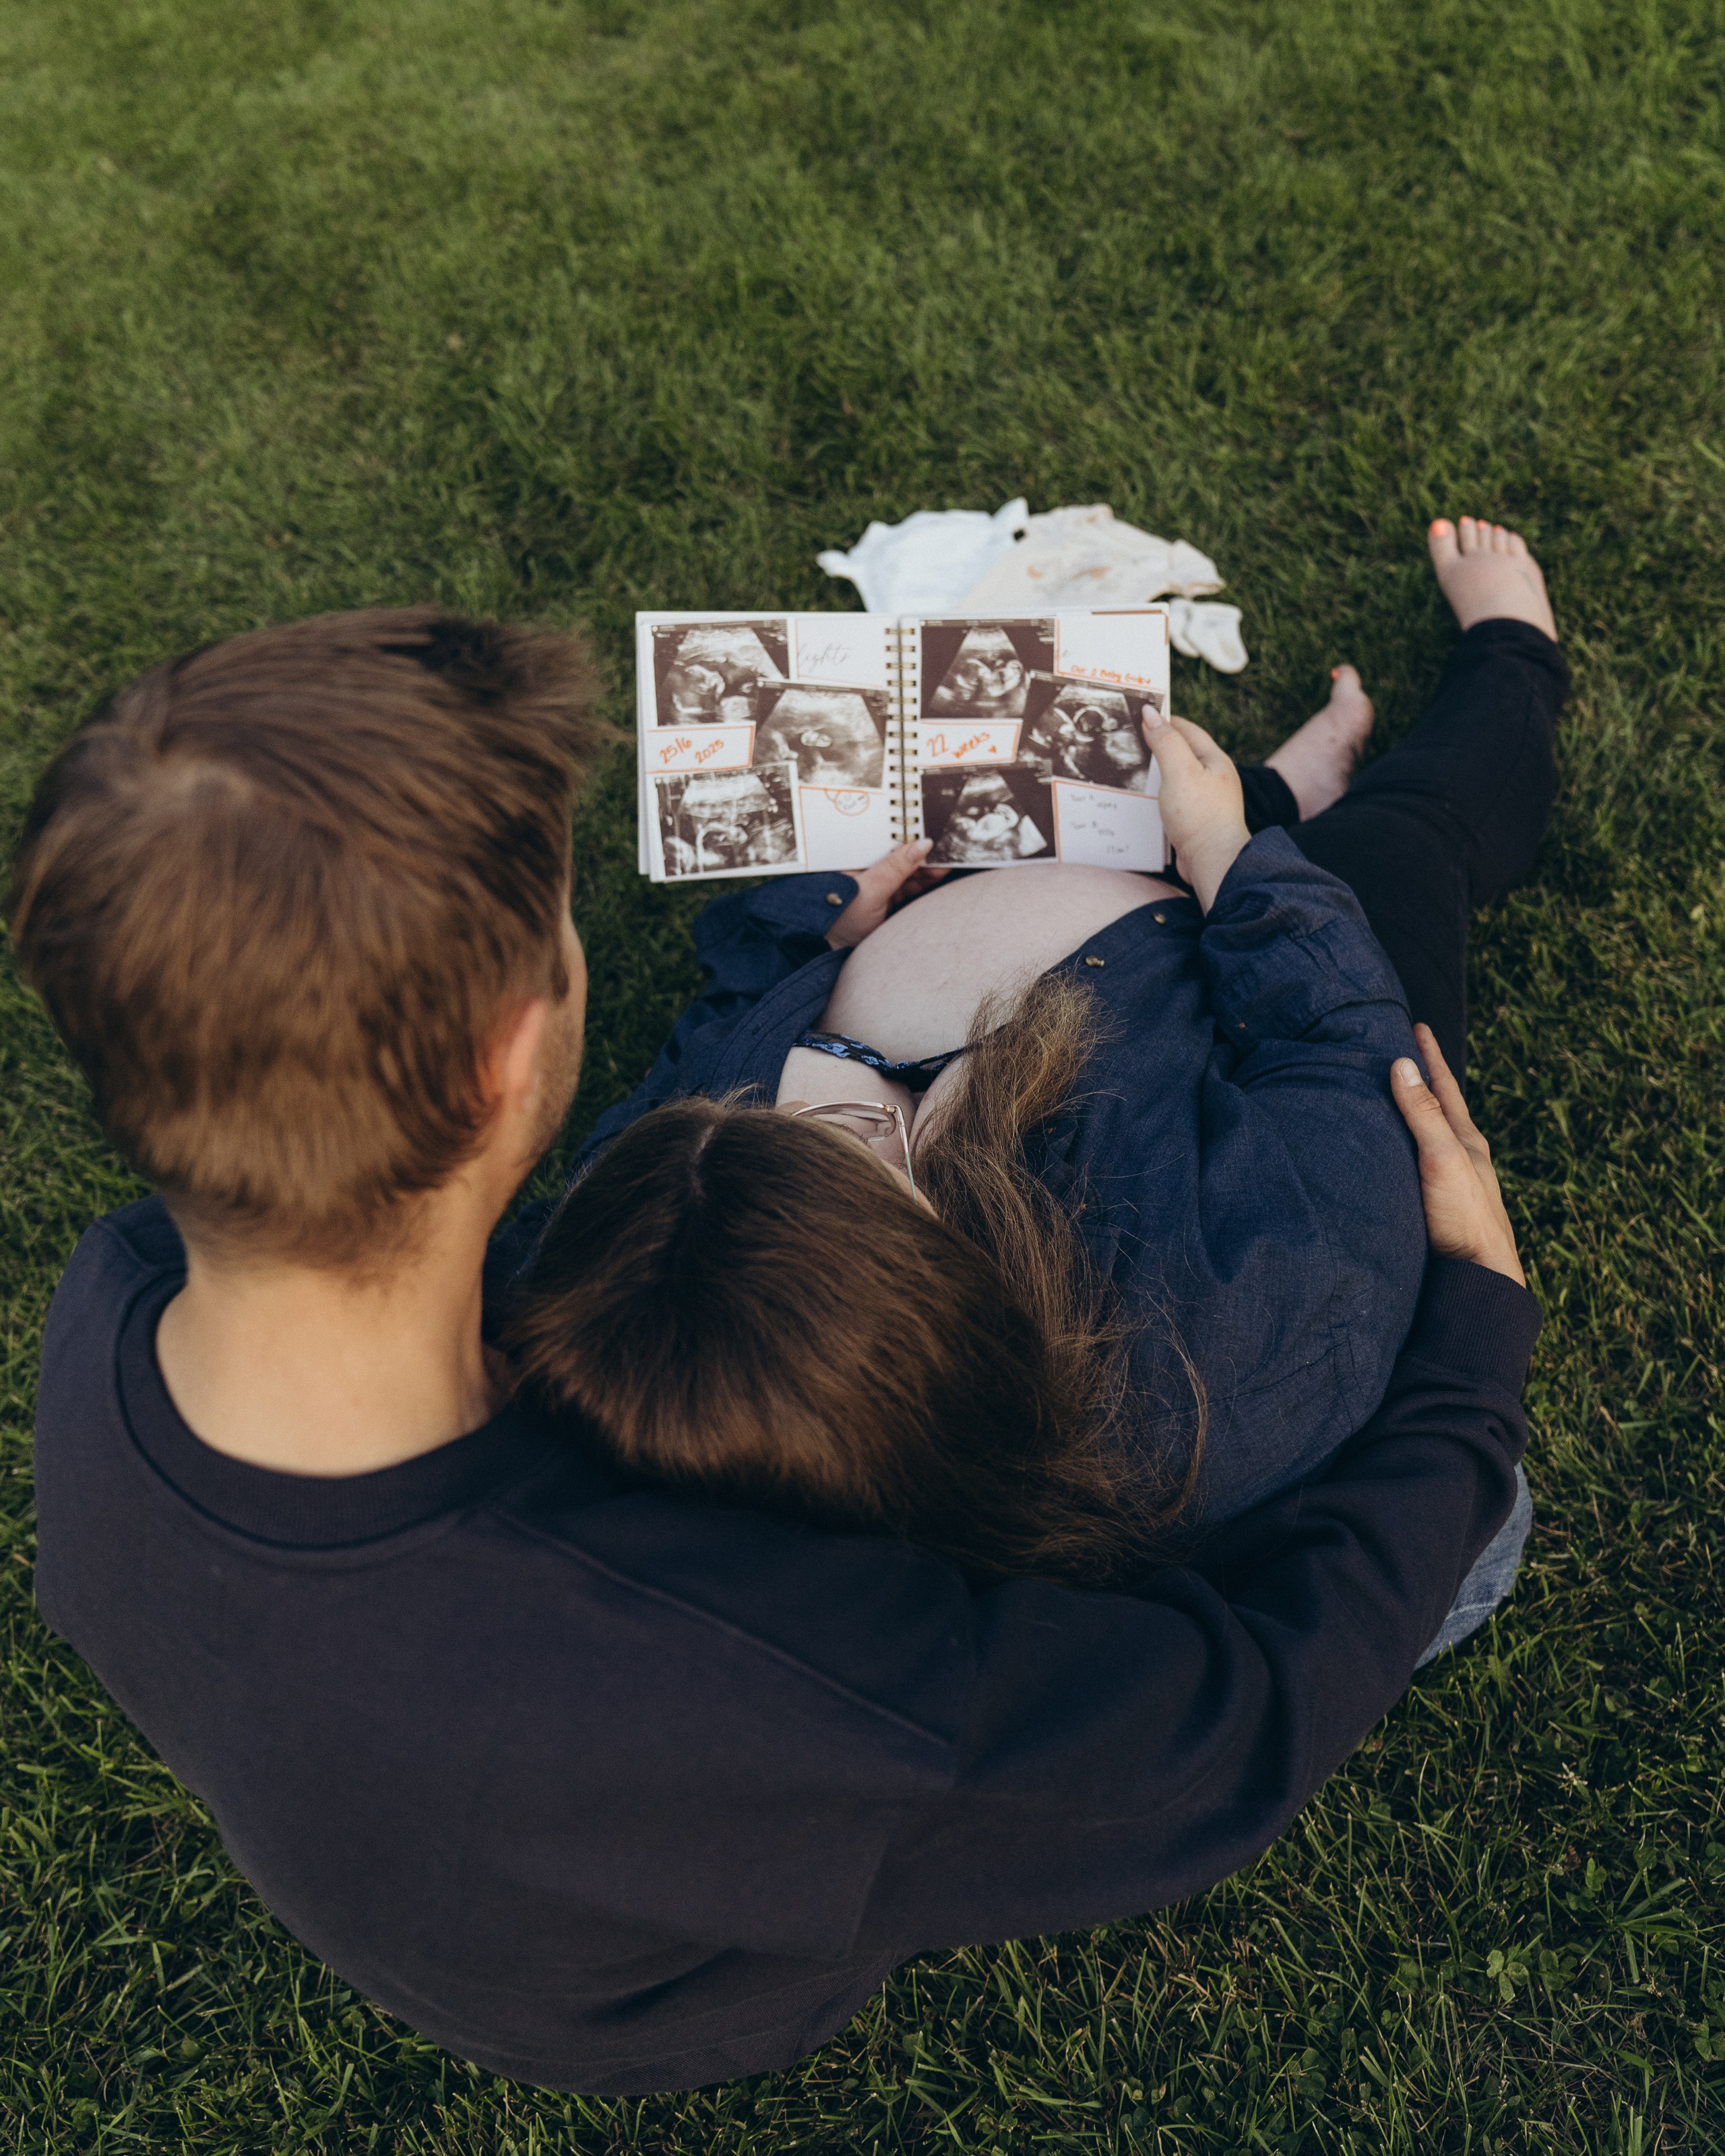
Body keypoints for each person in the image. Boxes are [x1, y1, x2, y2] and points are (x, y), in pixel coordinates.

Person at [15, 526, 1543, 2098]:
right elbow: (1224, 1733)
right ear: (498, 1064)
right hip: (688, 1982)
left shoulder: (120, 1303)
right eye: (562, 925)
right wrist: (1472, 1346)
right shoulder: (772, 1679)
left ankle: (1280, 817)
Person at [511, 518, 1563, 1568]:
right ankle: (1510, 652)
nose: (802, 1091)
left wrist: (822, 929)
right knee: (1422, 827)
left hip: (1044, 887)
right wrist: (1230, 858)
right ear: (918, 1270)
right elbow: (1338, 1059)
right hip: (1269, 987)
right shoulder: (1215, 1361)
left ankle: (1282, 792)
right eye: (847, 1123)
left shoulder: (662, 1249)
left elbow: (693, 1057)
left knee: (1085, 795)